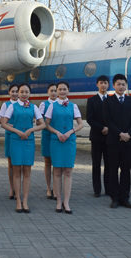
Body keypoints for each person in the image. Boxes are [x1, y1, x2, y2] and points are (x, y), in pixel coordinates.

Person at [1, 83, 45, 213]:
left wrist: (31, 130)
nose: (24, 94)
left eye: (26, 92)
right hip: (16, 140)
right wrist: (17, 131)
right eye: (21, 92)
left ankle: (25, 200)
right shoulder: (12, 106)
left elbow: (42, 124)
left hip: (28, 141)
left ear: (29, 94)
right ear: (18, 93)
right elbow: (3, 123)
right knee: (16, 171)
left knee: (27, 172)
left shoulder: (33, 107)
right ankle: (18, 201)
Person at [44, 81, 84, 214]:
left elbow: (80, 124)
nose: (61, 91)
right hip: (56, 141)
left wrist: (70, 132)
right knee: (56, 171)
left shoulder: (73, 106)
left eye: (64, 89)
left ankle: (66, 201)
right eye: (59, 89)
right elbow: (46, 124)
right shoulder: (52, 106)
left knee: (68, 171)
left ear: (68, 90)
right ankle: (58, 200)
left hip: (69, 141)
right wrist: (57, 132)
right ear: (56, 91)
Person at [103, 74, 131, 209]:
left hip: (129, 141)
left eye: (123, 84)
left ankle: (125, 198)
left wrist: (128, 133)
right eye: (118, 84)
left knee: (126, 170)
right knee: (113, 170)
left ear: (126, 86)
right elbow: (108, 120)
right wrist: (119, 133)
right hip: (114, 141)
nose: (121, 86)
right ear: (114, 86)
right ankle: (114, 198)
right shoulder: (108, 101)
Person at [86, 75, 110, 197]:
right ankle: (97, 189)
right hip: (96, 137)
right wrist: (102, 128)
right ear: (97, 84)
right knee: (96, 164)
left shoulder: (112, 100)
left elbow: (115, 118)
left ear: (108, 85)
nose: (103, 85)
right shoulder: (91, 100)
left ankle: (108, 189)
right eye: (101, 83)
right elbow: (89, 118)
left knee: (109, 164)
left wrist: (109, 128)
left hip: (109, 137)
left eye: (105, 83)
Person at [0, 84, 19, 200]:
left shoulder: (26, 104)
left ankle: (18, 188)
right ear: (9, 92)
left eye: (17, 91)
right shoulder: (6, 105)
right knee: (11, 163)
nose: (15, 93)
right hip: (10, 135)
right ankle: (12, 188)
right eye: (13, 91)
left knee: (20, 164)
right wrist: (12, 126)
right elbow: (2, 121)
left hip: (21, 136)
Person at [38, 83, 58, 200]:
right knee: (47, 162)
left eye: (55, 90)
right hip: (47, 136)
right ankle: (48, 187)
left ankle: (56, 188)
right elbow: (39, 120)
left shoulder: (62, 104)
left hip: (58, 136)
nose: (54, 93)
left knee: (57, 163)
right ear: (48, 92)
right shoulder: (43, 104)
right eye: (52, 90)